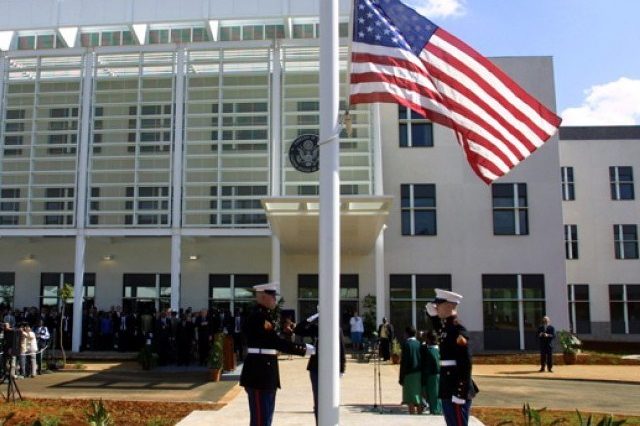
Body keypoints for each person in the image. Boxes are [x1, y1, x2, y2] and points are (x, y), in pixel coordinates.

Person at [240, 282, 315, 426]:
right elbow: (274, 342)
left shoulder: (264, 315)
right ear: (263, 297)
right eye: (272, 296)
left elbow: (270, 341)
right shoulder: (259, 316)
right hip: (259, 373)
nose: (275, 299)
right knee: (261, 420)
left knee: (265, 418)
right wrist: (302, 349)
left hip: (264, 372)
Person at [425, 289, 478, 426]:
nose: (436, 307)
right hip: (447, 385)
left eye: (439, 304)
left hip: (456, 387)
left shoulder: (458, 330)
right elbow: (440, 330)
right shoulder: (447, 327)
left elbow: (465, 363)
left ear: (449, 306)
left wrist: (460, 393)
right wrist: (433, 316)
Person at [294, 309, 346, 425]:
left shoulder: (337, 330)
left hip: (331, 369)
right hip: (316, 368)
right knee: (318, 401)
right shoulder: (317, 328)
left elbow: (342, 350)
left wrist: (341, 369)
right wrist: (314, 316)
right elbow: (298, 329)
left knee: (330, 399)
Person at [399, 326, 422, 414]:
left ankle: (412, 414)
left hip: (408, 374)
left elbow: (404, 362)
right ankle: (420, 413)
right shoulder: (419, 344)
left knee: (410, 397)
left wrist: (401, 377)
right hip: (419, 373)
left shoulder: (406, 344)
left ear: (407, 334)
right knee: (418, 395)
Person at [420, 330, 442, 415]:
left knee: (433, 396)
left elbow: (426, 368)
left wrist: (423, 382)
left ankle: (435, 412)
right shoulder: (439, 349)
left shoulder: (429, 351)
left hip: (431, 377)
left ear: (428, 340)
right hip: (440, 376)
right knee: (438, 396)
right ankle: (439, 411)